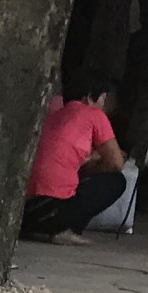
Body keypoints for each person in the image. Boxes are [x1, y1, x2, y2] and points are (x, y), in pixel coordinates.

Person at [22, 75, 128, 242]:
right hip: (52, 207)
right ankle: (66, 229)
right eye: (103, 99)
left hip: (26, 210)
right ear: (90, 98)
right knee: (115, 181)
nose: (105, 106)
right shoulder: (94, 115)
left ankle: (41, 229)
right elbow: (116, 162)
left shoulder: (53, 115)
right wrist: (91, 169)